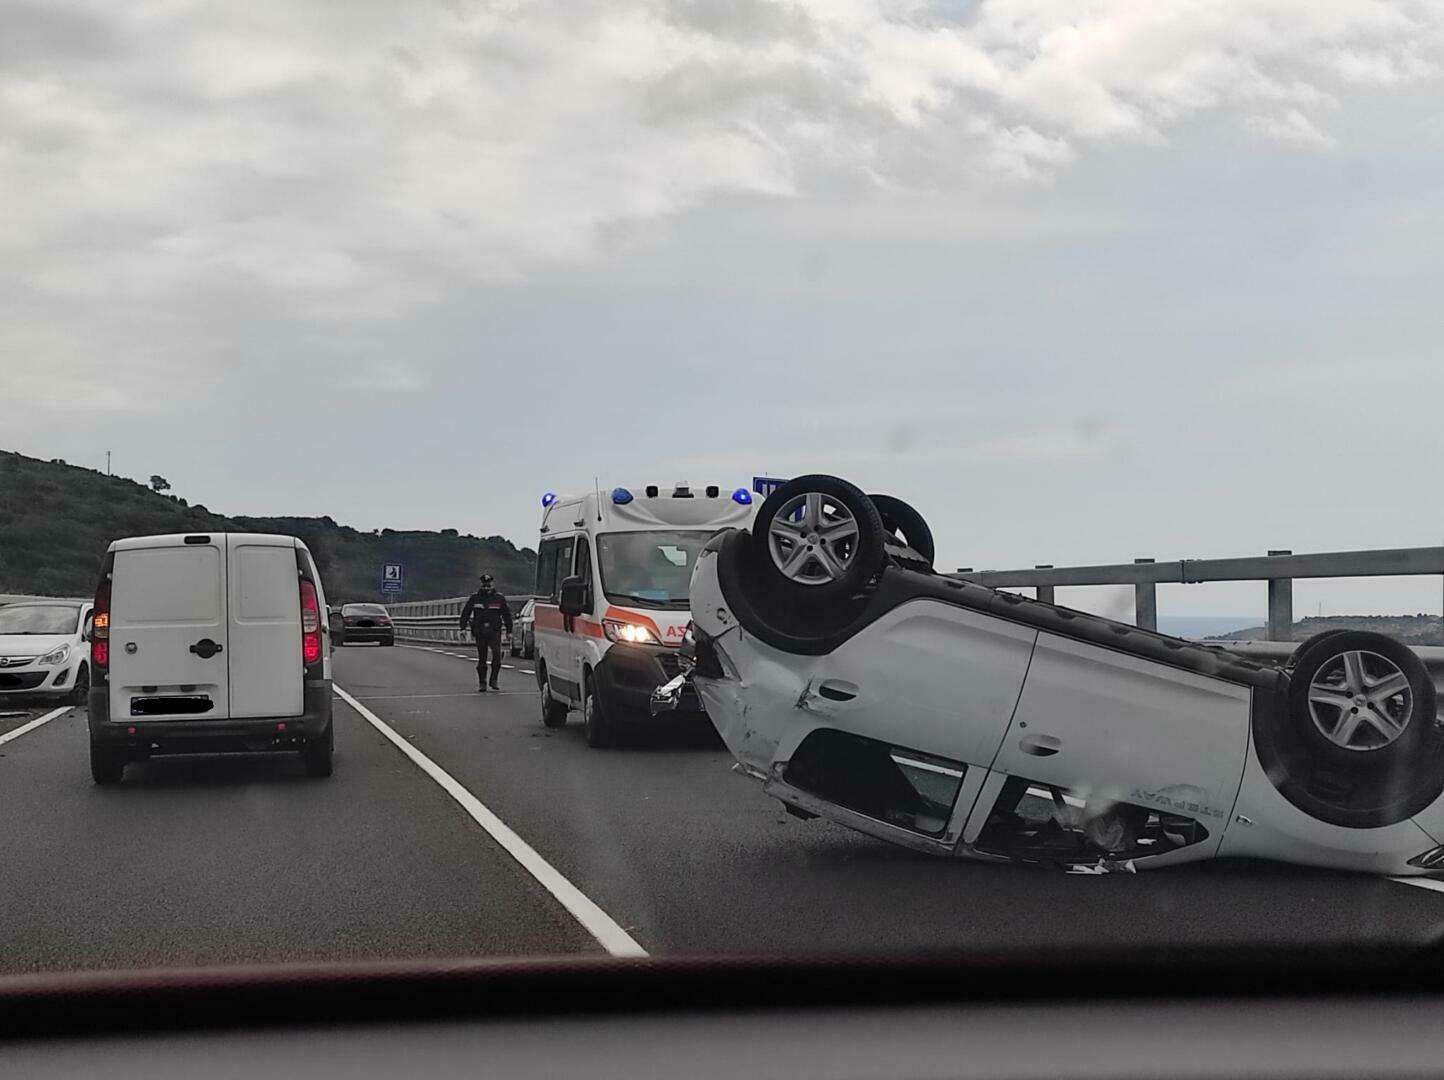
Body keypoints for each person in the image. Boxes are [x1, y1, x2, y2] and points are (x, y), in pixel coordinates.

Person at [459, 573, 513, 691]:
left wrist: (509, 631)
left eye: (488, 586)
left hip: (494, 631)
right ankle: (482, 682)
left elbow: (507, 615)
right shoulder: (475, 598)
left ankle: (494, 680)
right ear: (481, 585)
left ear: (492, 585)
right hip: (480, 631)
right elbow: (465, 613)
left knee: (497, 656)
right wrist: (463, 628)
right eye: (484, 586)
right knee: (482, 657)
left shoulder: (499, 598)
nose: (486, 588)